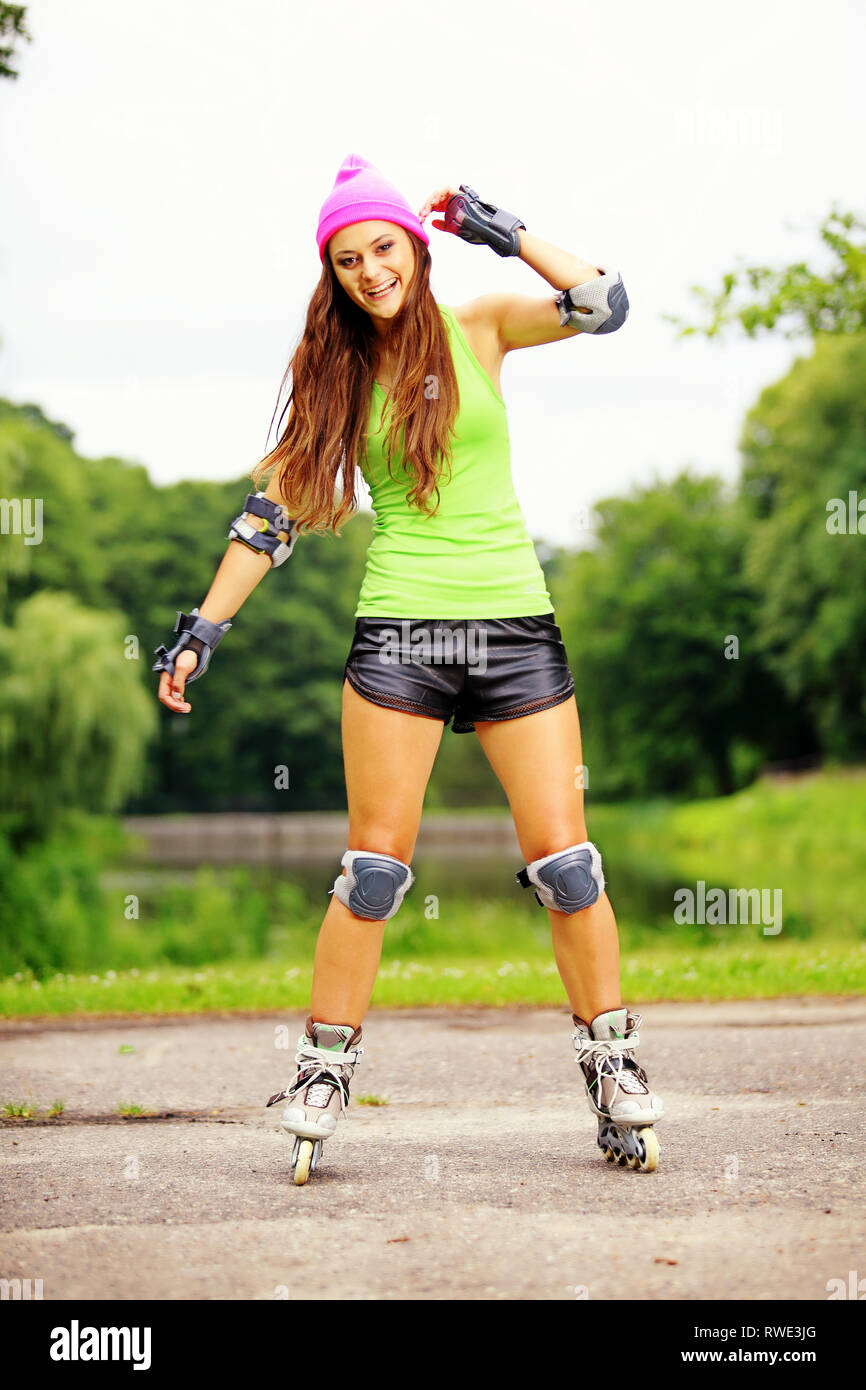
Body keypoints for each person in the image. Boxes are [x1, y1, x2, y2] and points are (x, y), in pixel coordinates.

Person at [153, 153, 663, 1184]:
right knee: (374, 871)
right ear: (332, 274)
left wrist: (502, 226)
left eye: (382, 247)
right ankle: (321, 1068)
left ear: (414, 248)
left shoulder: (480, 327)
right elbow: (271, 515)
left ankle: (612, 1063)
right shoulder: (335, 373)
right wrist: (203, 629)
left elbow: (601, 301)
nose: (369, 270)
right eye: (348, 259)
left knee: (567, 864)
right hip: (401, 634)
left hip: (515, 626)